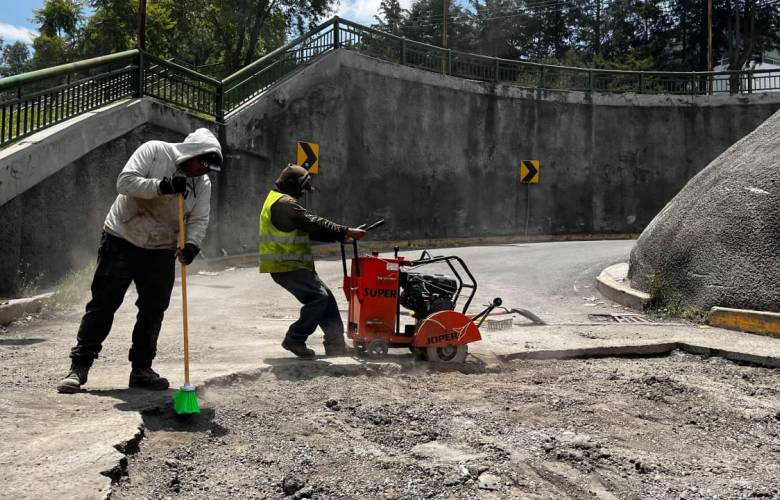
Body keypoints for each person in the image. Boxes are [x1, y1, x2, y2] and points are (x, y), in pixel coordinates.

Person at [56, 128, 223, 393]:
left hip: (161, 247)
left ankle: (142, 369)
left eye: (209, 169)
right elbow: (124, 182)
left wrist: (191, 245)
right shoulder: (154, 151)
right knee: (103, 304)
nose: (204, 172)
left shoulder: (201, 184)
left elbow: (199, 219)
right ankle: (79, 366)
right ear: (192, 153)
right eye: (203, 164)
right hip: (121, 238)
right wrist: (162, 186)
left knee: (153, 308)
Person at [259, 164, 366, 359]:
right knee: (319, 298)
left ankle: (336, 345)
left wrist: (337, 237)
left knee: (327, 298)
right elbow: (313, 222)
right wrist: (345, 231)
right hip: (286, 265)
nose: (304, 192)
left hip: (292, 264)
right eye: (303, 187)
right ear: (291, 184)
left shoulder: (278, 200)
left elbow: (304, 229)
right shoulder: (284, 204)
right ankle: (295, 338)